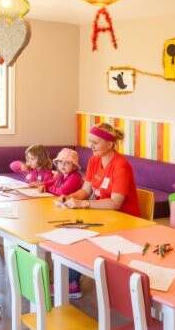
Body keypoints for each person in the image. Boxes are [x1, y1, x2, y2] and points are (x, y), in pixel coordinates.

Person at [59, 122, 140, 296]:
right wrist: (71, 197)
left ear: (110, 144)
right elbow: (86, 190)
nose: (91, 145)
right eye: (90, 141)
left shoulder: (121, 165)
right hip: (104, 216)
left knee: (79, 235)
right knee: (71, 230)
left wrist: (84, 204)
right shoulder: (94, 160)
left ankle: (72, 282)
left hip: (125, 221)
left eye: (96, 142)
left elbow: (115, 204)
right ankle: (72, 281)